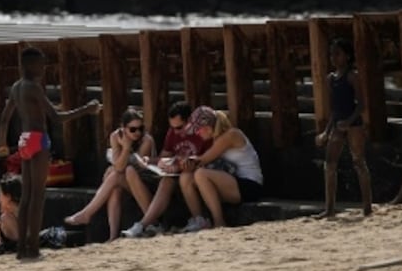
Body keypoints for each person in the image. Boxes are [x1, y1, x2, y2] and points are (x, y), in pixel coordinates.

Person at [0, 46, 101, 260]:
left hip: (24, 140)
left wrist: (2, 143)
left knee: (25, 197)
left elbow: (5, 119)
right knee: (38, 197)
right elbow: (56, 118)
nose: (43, 68)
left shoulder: (16, 88)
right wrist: (87, 110)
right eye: (41, 64)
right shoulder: (33, 87)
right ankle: (33, 247)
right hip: (39, 140)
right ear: (31, 66)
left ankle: (21, 249)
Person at [121, 101, 211, 238]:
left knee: (168, 181)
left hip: (191, 176)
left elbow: (203, 160)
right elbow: (164, 156)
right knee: (133, 172)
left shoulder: (202, 134)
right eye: (172, 127)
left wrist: (177, 165)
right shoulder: (172, 133)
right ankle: (149, 224)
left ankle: (142, 225)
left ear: (190, 122)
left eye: (179, 127)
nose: (175, 131)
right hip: (172, 175)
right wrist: (149, 160)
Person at [64, 108, 156, 241]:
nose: (138, 132)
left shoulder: (146, 140)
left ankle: (87, 213)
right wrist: (124, 148)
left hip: (143, 183)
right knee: (115, 186)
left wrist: (125, 148)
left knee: (115, 175)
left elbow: (130, 167)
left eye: (140, 128)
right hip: (125, 181)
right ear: (123, 128)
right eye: (133, 129)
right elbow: (119, 166)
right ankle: (113, 235)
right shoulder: (115, 136)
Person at [177, 108, 264, 231]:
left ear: (207, 127)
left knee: (201, 174)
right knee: (186, 177)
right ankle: (199, 220)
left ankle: (219, 221)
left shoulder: (231, 135)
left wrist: (179, 163)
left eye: (198, 129)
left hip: (249, 185)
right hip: (232, 182)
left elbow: (203, 160)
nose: (197, 133)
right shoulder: (216, 139)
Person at [315, 37, 372, 218]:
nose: (333, 58)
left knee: (359, 162)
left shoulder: (352, 76)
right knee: (330, 164)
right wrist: (326, 131)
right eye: (332, 54)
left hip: (353, 125)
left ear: (347, 56)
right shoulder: (331, 79)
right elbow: (334, 109)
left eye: (337, 54)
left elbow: (362, 104)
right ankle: (330, 208)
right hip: (338, 124)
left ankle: (367, 208)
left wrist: (349, 121)